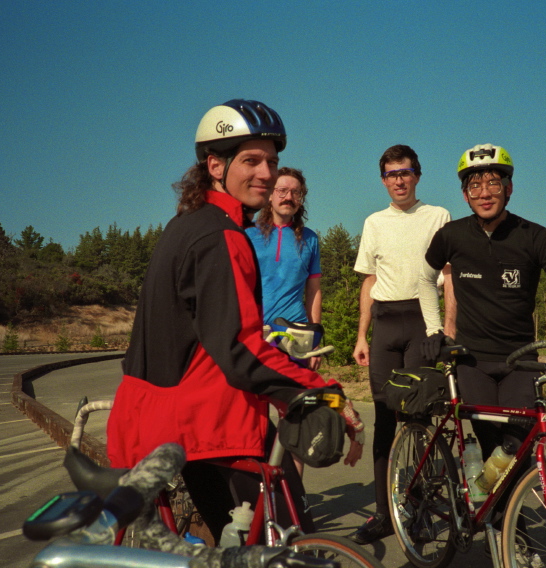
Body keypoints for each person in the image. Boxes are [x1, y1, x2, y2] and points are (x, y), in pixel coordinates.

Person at [106, 99, 364, 545]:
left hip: (155, 419)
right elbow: (239, 346)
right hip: (207, 424)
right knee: (290, 544)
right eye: (251, 160)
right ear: (215, 165)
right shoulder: (221, 237)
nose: (266, 172)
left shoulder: (185, 225)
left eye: (272, 161)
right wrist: (324, 392)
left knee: (236, 557)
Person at [418, 143, 546, 476]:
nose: (485, 193)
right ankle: (499, 521)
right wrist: (433, 330)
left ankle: (504, 517)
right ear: (465, 194)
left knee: (515, 443)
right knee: (489, 443)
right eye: (475, 185)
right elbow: (424, 279)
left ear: (508, 189)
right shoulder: (451, 236)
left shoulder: (535, 236)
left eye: (493, 183)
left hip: (520, 358)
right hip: (472, 359)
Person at [348, 144, 451, 545]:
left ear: (417, 176)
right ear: (383, 180)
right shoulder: (374, 222)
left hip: (423, 323)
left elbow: (448, 274)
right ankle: (383, 514)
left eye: (405, 172)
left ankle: (421, 511)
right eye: (391, 174)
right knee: (384, 418)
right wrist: (361, 335)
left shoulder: (437, 216)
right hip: (386, 326)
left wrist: (444, 328)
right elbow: (369, 282)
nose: (399, 180)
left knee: (420, 421)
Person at [246, 167, 323, 371]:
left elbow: (314, 290)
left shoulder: (310, 239)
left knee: (293, 398)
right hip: (254, 333)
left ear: (300, 199)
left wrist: (315, 340)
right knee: (254, 401)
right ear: (270, 194)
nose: (288, 197)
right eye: (282, 190)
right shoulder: (247, 234)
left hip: (294, 334)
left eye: (295, 193)